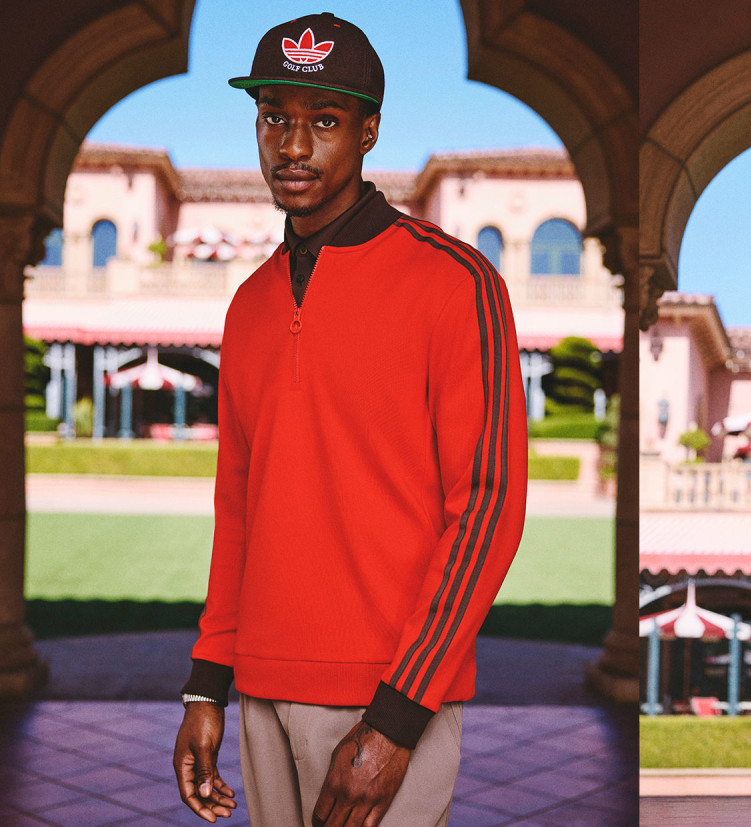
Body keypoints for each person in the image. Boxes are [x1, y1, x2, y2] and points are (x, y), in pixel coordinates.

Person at [171, 13, 528, 826]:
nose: (293, 146)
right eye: (274, 118)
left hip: (389, 696)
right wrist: (207, 684)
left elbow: (488, 506)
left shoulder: (457, 283)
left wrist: (396, 720)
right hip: (260, 689)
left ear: (368, 132)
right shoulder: (249, 305)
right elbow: (239, 508)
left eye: (324, 121)